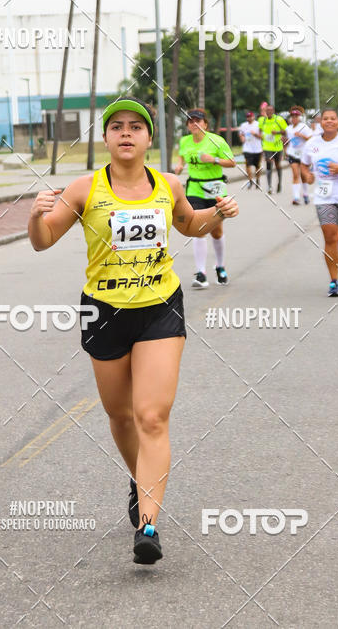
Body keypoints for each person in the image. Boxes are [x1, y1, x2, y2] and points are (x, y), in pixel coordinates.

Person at [28, 97, 239, 564]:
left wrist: (218, 214)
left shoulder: (168, 184)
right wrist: (33, 215)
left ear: (148, 138)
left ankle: (148, 525)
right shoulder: (84, 189)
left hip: (161, 308)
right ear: (106, 138)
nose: (126, 133)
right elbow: (43, 241)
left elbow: (190, 225)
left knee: (152, 417)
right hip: (103, 312)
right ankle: (139, 478)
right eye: (117, 126)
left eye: (136, 127)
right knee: (121, 417)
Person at [175, 108, 236, 288]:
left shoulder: (216, 140)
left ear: (205, 124)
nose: (194, 124)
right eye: (191, 121)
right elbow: (182, 158)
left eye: (198, 121)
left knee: (216, 231)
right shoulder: (184, 141)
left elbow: (232, 162)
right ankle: (201, 273)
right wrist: (179, 167)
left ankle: (220, 266)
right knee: (198, 228)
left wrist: (214, 160)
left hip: (215, 188)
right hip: (194, 188)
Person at [301, 109, 338, 296]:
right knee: (331, 237)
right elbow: (304, 164)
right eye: (326, 119)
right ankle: (334, 281)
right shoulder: (312, 143)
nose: (329, 121)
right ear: (320, 122)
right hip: (324, 197)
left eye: (333, 118)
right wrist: (307, 175)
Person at [284, 105, 313, 205]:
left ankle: (305, 194)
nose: (294, 118)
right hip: (292, 154)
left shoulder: (304, 127)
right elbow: (289, 141)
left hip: (303, 154)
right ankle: (296, 197)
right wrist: (284, 144)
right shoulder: (288, 129)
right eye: (292, 116)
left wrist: (301, 136)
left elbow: (311, 139)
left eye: (296, 116)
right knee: (295, 174)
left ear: (299, 117)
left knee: (303, 175)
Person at [258, 104, 287, 194]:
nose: (269, 112)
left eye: (271, 111)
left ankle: (279, 183)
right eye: (267, 111)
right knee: (269, 163)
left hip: (278, 147)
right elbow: (260, 130)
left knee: (278, 165)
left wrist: (277, 132)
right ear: (266, 112)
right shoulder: (262, 120)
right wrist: (261, 136)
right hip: (267, 147)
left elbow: (286, 130)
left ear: (273, 111)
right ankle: (269, 186)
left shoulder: (279, 119)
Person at [238, 110, 262, 189]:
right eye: (248, 117)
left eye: (250, 117)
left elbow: (262, 137)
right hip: (247, 148)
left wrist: (255, 134)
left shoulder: (258, 125)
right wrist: (242, 138)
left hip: (257, 149)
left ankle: (258, 180)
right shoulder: (243, 125)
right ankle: (250, 180)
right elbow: (241, 134)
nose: (249, 118)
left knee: (257, 166)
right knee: (248, 165)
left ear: (253, 117)